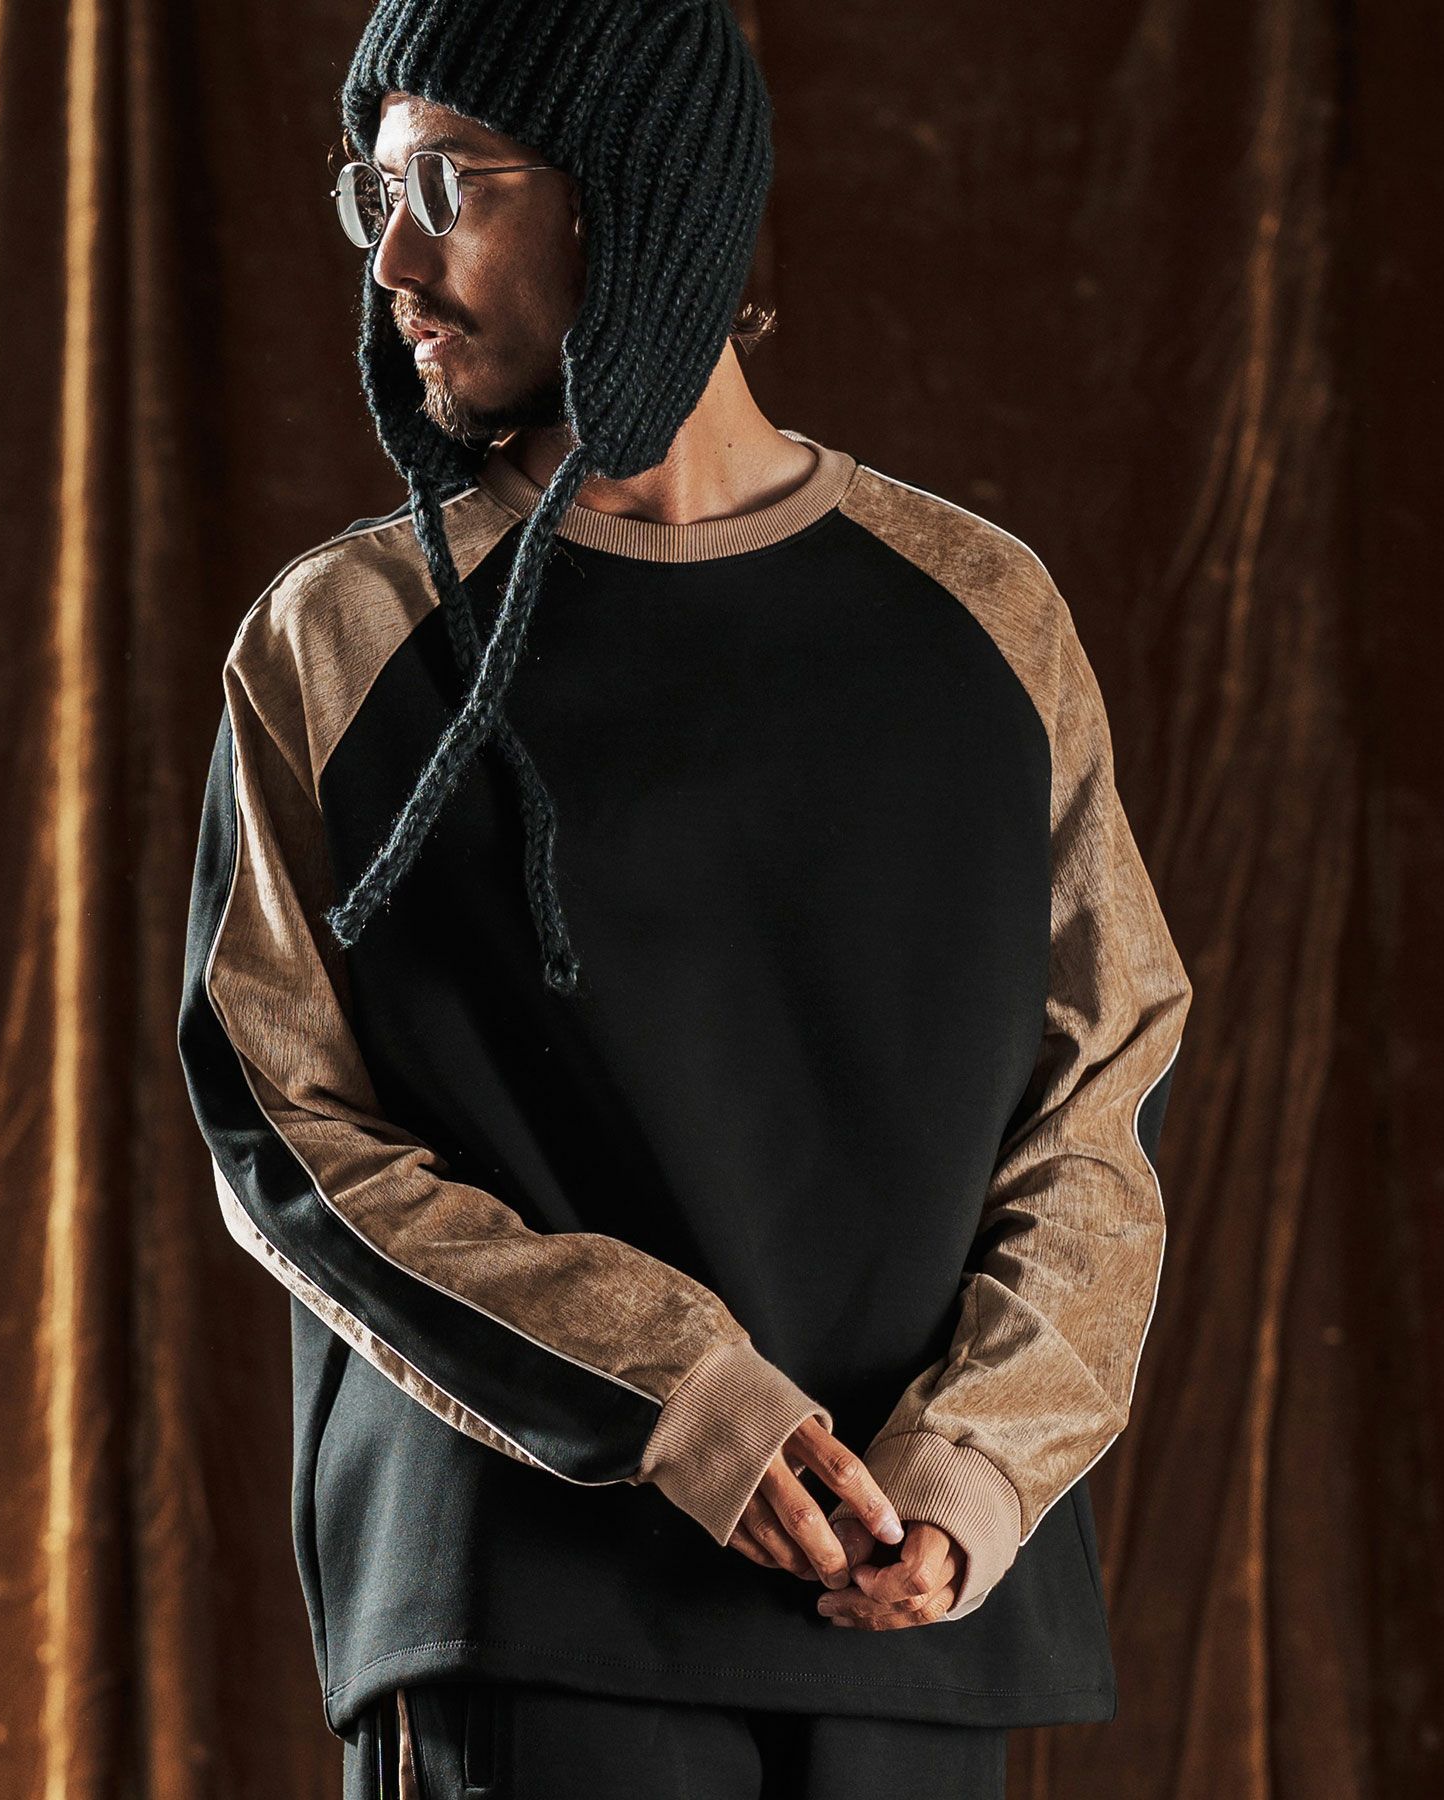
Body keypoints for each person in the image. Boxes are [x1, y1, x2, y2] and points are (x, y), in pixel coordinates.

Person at [175, 1, 1195, 1795]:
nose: (393, 260)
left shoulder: (980, 616)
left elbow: (1102, 1093)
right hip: (525, 1614)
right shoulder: (342, 640)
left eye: (447, 184)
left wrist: (979, 1461)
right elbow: (285, 1126)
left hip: (913, 1614)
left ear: (629, 198)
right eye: (373, 194)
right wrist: (671, 1391)